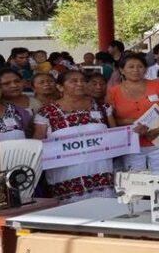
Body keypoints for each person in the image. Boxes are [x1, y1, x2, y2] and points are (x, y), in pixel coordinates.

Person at [32, 68, 116, 200]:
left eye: (83, 81)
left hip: (101, 172)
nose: (80, 84)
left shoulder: (102, 108)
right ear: (60, 87)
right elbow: (37, 144)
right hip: (66, 176)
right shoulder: (46, 113)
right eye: (74, 81)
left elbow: (115, 136)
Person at [106, 53, 159, 171]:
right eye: (131, 67)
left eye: (140, 66)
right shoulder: (113, 92)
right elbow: (110, 119)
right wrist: (132, 122)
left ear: (146, 69)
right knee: (136, 181)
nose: (136, 70)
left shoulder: (157, 85)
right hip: (131, 143)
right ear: (122, 70)